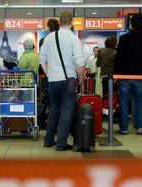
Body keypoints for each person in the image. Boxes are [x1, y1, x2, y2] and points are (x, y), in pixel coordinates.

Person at [39, 10, 86, 151]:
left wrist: (49, 74)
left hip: (53, 81)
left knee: (54, 109)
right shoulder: (74, 39)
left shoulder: (48, 38)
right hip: (69, 81)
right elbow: (79, 63)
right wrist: (81, 78)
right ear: (72, 23)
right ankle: (61, 143)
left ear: (59, 22)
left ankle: (48, 140)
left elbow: (42, 60)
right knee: (66, 111)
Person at [114, 13, 142, 135]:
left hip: (125, 76)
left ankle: (124, 128)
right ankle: (140, 128)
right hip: (141, 75)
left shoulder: (124, 38)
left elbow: (119, 58)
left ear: (131, 24)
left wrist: (117, 74)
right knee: (140, 101)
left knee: (123, 101)